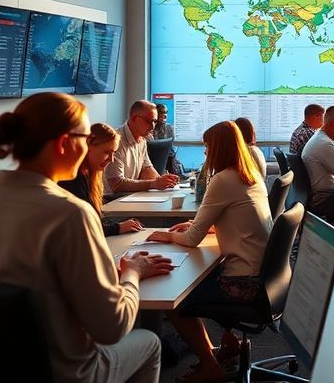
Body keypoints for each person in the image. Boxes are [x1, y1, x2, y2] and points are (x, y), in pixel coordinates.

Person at [0, 92, 173, 382]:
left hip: (2, 363)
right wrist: (132, 273)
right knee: (150, 343)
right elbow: (112, 327)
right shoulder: (70, 214)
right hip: (68, 371)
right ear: (63, 143)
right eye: (85, 138)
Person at [147, 121, 273, 383]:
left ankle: (208, 364)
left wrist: (167, 235)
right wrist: (202, 226)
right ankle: (229, 345)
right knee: (202, 272)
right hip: (262, 276)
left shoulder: (223, 179)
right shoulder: (250, 175)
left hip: (243, 283)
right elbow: (240, 220)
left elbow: (192, 240)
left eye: (207, 147)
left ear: (218, 149)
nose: (205, 152)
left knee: (174, 296)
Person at [59, 122, 145, 237]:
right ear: (88, 148)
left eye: (113, 153)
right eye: (107, 152)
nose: (111, 159)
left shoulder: (89, 175)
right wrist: (118, 227)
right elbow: (85, 229)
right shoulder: (74, 180)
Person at [105, 100, 179, 193]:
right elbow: (116, 184)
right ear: (133, 117)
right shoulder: (116, 141)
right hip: (112, 198)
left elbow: (147, 168)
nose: (152, 127)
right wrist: (155, 183)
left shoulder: (142, 139)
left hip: (129, 196)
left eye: (154, 122)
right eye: (148, 121)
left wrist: (164, 181)